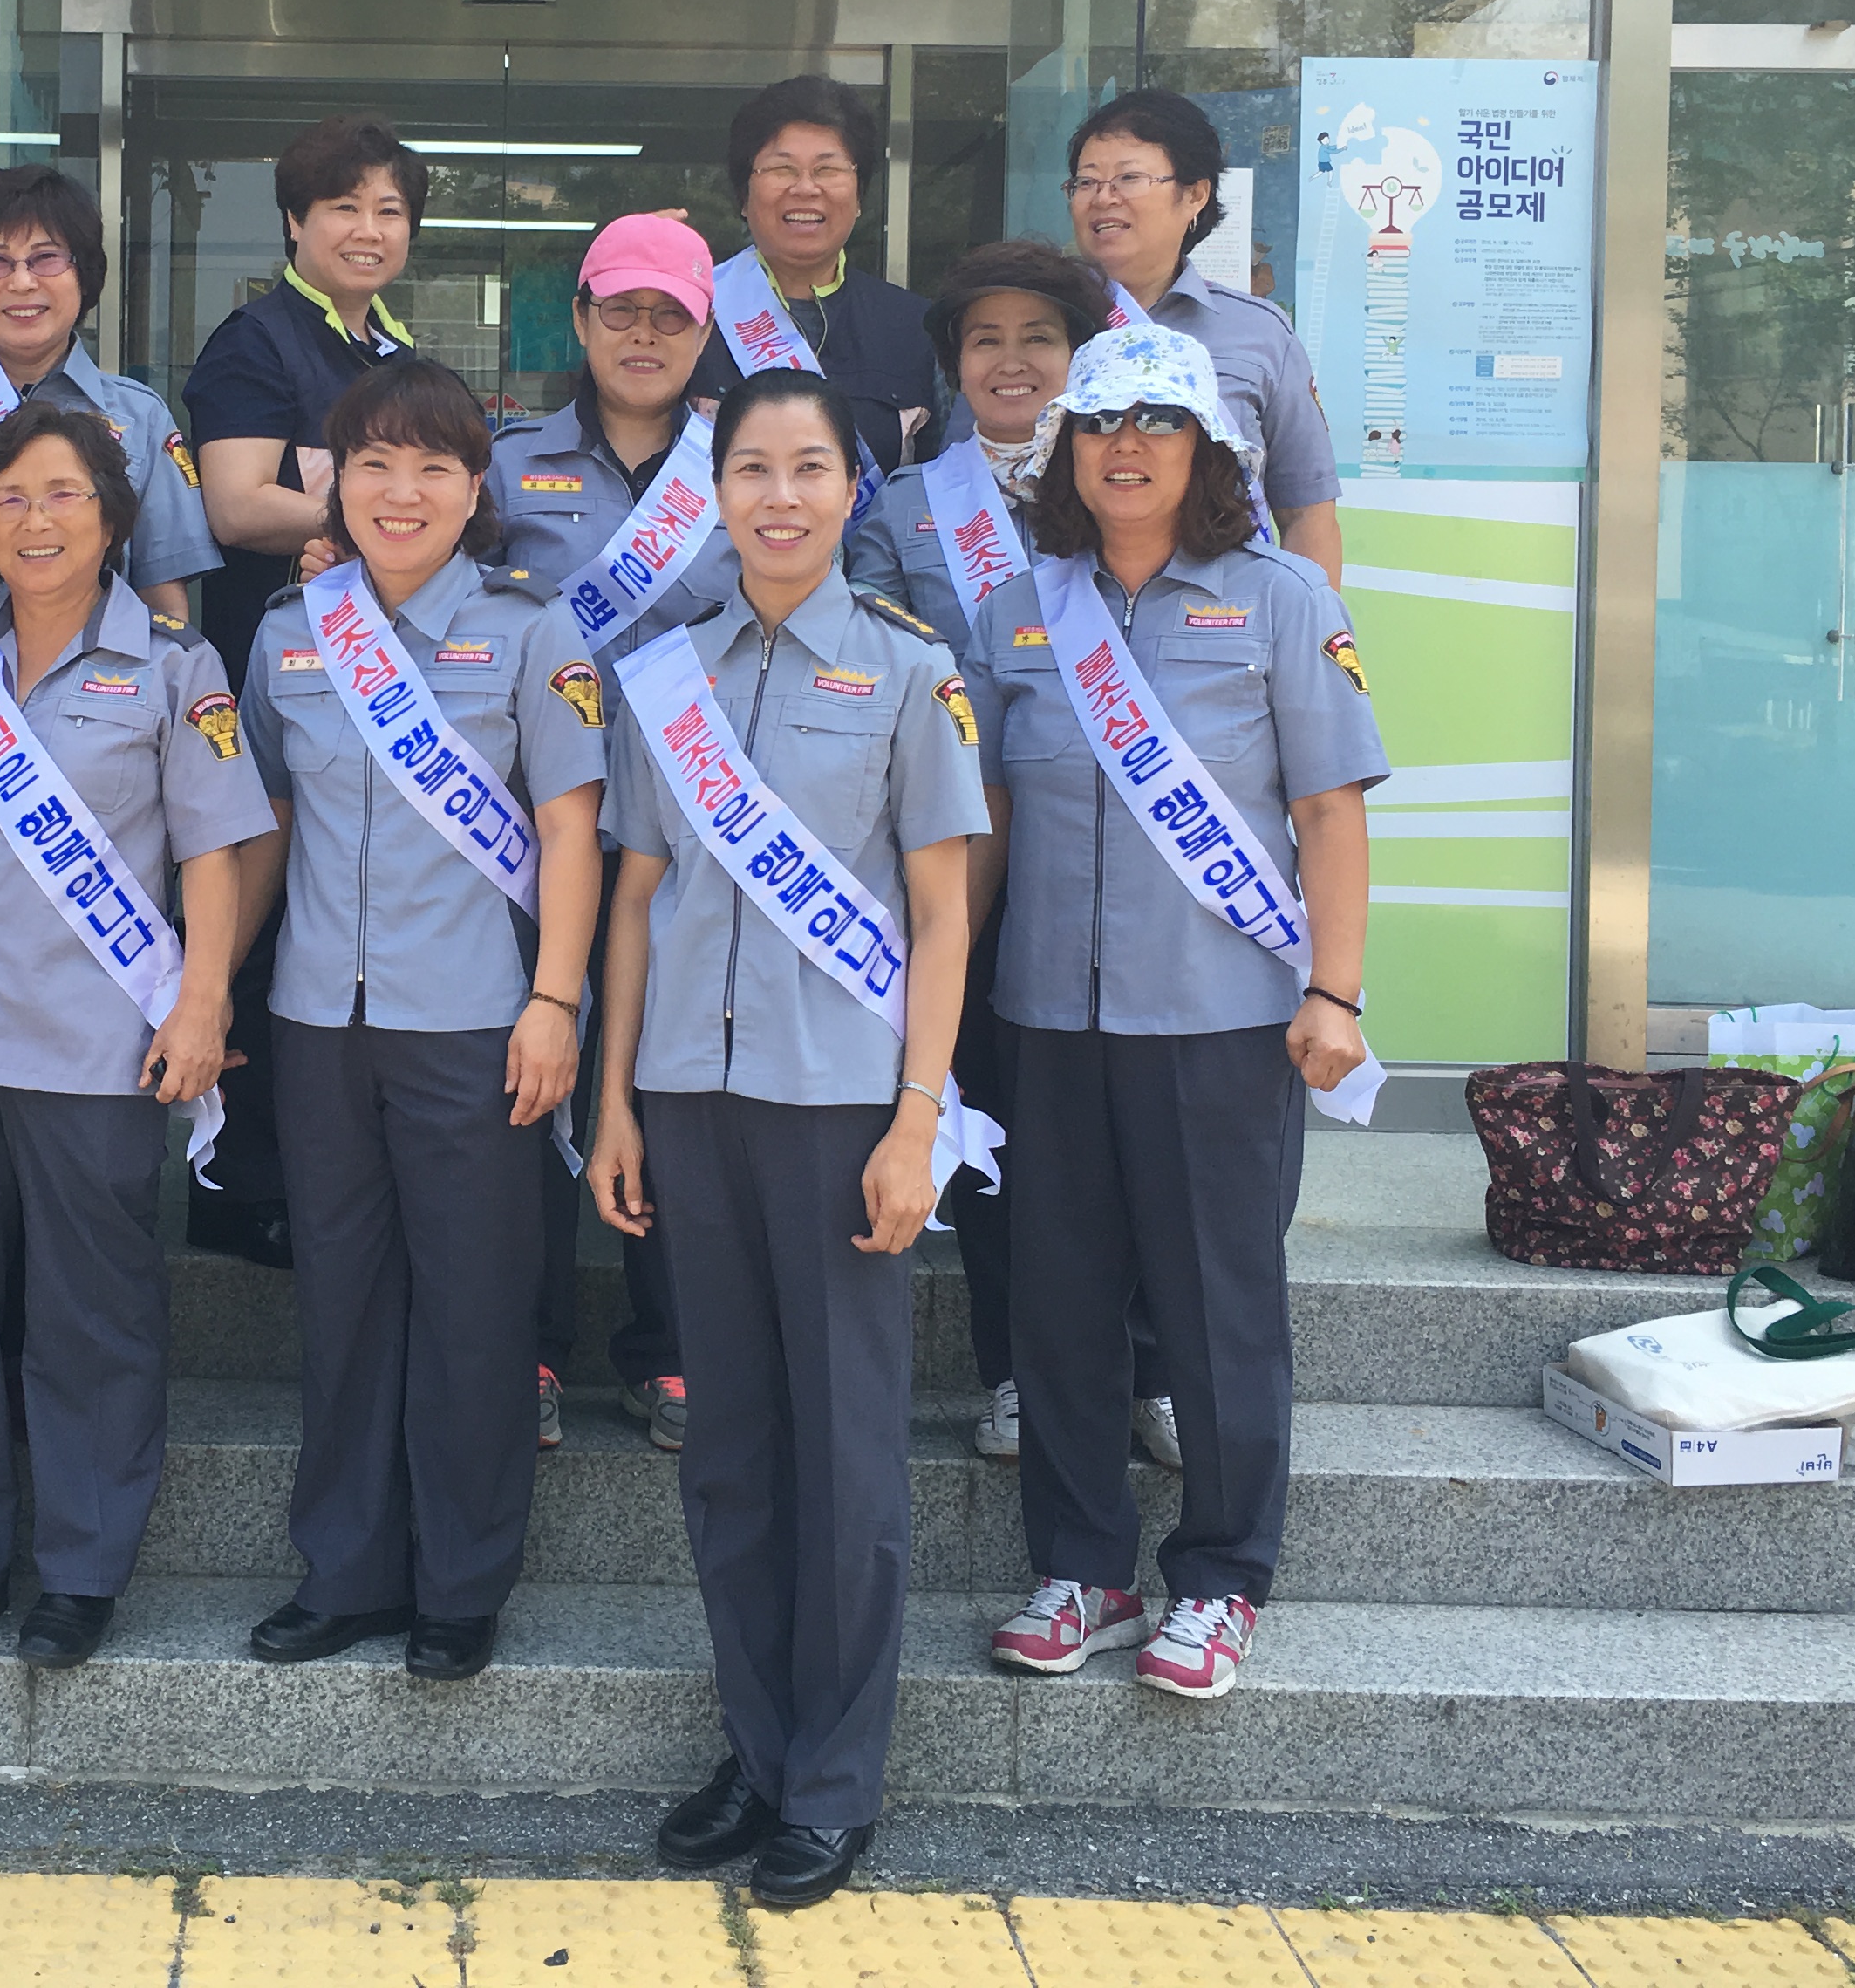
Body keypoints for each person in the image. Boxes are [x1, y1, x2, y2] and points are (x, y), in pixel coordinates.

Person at [586, 366, 986, 1911]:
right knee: (734, 1452)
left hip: (840, 1112)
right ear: (716, 493)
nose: (779, 495)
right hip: (690, 1099)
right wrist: (615, 1100)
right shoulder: (665, 676)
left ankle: (833, 1777)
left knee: (845, 1458)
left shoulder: (908, 671)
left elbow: (944, 915)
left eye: (809, 467)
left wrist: (917, 1118)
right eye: (750, 468)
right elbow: (634, 901)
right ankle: (756, 1750)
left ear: (848, 490)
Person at [968, 324, 1382, 1704]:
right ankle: (1082, 1569)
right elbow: (989, 826)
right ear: (1065, 453)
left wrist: (1335, 991)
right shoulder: (1020, 613)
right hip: (1047, 1017)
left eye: (1158, 421)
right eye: (1099, 423)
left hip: (1221, 1022)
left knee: (1219, 1312)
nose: (1125, 446)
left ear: (1209, 453)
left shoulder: (1283, 600)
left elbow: (1330, 812)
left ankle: (1221, 1577)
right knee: (1059, 1307)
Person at [0, 401, 276, 1670]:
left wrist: (203, 1000)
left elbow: (218, 846)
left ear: (111, 519)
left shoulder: (174, 669)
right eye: (9, 498)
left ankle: (81, 1572)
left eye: (63, 495)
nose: (35, 520)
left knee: (91, 1317)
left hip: (96, 1041)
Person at [235, 358, 607, 1684]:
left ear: (474, 486)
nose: (402, 492)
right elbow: (263, 827)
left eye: (434, 466)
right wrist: (211, 981)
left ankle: (460, 1582)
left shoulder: (531, 634)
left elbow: (573, 837)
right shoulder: (289, 634)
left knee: (474, 1309)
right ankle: (344, 1572)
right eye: (375, 464)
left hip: (476, 1025)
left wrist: (555, 1002)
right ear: (337, 481)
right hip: (317, 1022)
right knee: (343, 1304)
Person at [852, 238, 1176, 1469]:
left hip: (1131, 852)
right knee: (998, 1130)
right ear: (953, 364)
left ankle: (1153, 1369)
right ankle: (1015, 1372)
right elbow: (877, 651)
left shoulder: (1135, 485)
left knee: (1131, 1132)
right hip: (973, 856)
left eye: (1039, 338)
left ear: (1084, 357)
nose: (1011, 360)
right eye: (984, 339)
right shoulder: (902, 506)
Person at [485, 214, 736, 1459]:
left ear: (705, 329)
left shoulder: (749, 459)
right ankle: (528, 1346)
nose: (644, 334)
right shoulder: (502, 464)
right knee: (531, 1072)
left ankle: (670, 1347)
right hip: (535, 825)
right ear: (580, 320)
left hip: (702, 827)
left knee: (673, 1078)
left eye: (669, 315)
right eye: (620, 310)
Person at [180, 115, 426, 1261]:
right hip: (269, 674)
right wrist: (384, 519)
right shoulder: (257, 343)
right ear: (294, 221)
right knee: (262, 918)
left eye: (389, 210)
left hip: (367, 689)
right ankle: (237, 1186)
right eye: (343, 207)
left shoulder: (390, 351)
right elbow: (236, 505)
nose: (368, 229)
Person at [0, 165, 217, 641]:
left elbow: (162, 596)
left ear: (84, 274)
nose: (22, 282)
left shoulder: (140, 417)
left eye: (46, 258)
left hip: (93, 685)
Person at [1060, 88, 1345, 582]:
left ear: (1195, 194)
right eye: (1087, 181)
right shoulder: (1035, 325)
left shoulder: (1258, 332)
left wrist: (1310, 622)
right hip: (1064, 615)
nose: (1103, 197)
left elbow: (1306, 515)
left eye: (1129, 178)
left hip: (1222, 619)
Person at [690, 75, 940, 481]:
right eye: (781, 168)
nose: (805, 188)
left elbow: (940, 479)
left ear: (859, 197)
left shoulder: (914, 326)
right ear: (743, 196)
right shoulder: (689, 312)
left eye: (828, 169)